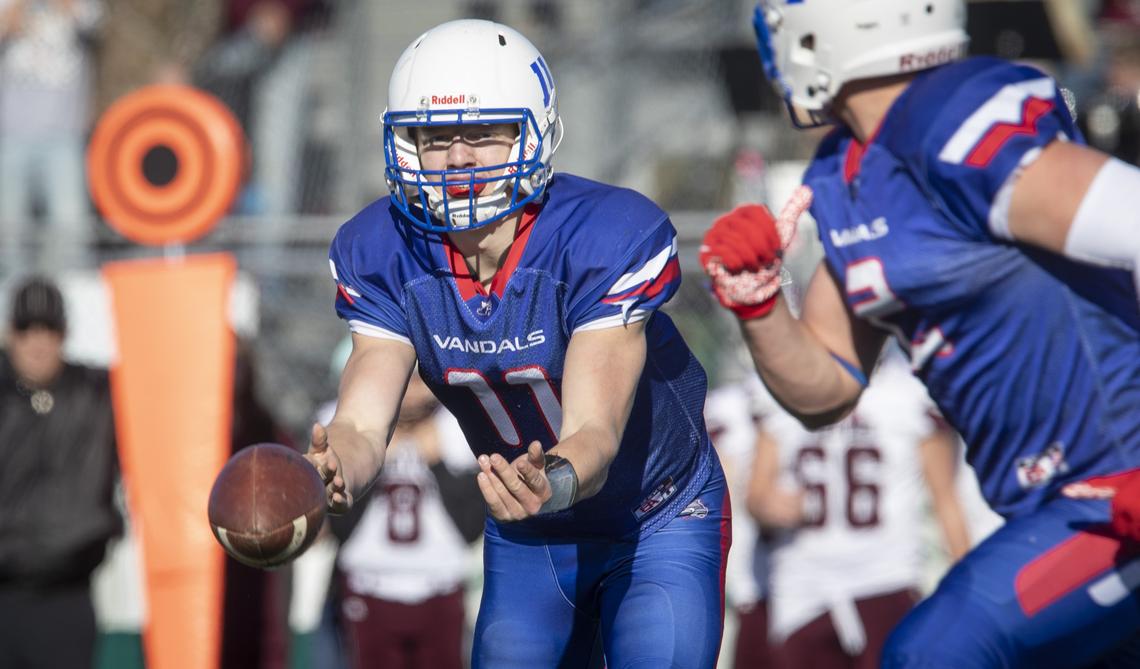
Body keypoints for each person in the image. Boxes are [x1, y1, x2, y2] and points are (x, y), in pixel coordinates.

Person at [699, 1, 1140, 666]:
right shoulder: (853, 171)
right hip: (1051, 509)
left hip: (1113, 490)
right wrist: (758, 304)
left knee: (935, 648)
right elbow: (825, 387)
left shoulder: (958, 120)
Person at [307, 18, 729, 668]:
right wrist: (331, 467)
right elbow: (363, 423)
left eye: (481, 133)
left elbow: (593, 429)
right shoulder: (385, 250)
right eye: (434, 136)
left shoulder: (601, 236)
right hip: (531, 531)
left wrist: (550, 478)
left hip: (657, 514)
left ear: (532, 131)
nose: (457, 157)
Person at [747, 351, 969, 669]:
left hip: (885, 575)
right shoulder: (779, 385)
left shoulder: (909, 391)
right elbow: (756, 496)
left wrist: (965, 589)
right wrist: (770, 506)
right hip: (802, 583)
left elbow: (946, 499)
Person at [321, 369, 482, 669]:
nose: (408, 389)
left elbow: (471, 526)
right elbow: (337, 523)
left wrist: (437, 461)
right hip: (368, 586)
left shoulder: (460, 427)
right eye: (402, 376)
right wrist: (372, 457)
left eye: (418, 378)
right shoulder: (339, 424)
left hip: (440, 587)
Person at [0, 276, 120, 669]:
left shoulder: (95, 393)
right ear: (8, 334)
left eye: (48, 329)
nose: (37, 342)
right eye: (26, 329)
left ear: (64, 334)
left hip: (67, 594)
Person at [0, 0, 103, 276]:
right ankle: (13, 303)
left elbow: (94, 22)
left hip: (64, 133)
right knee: (9, 230)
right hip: (10, 133)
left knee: (69, 227)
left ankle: (68, 299)